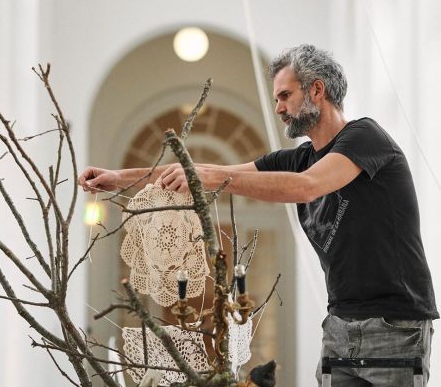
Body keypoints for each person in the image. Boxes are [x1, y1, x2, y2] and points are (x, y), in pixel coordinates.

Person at [78, 44, 438, 386]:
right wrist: (119, 178)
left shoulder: (365, 137)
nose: (279, 107)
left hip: (393, 325)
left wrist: (214, 178)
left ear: (316, 90)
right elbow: (198, 169)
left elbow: (307, 186)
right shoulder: (298, 157)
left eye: (285, 95)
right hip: (340, 323)